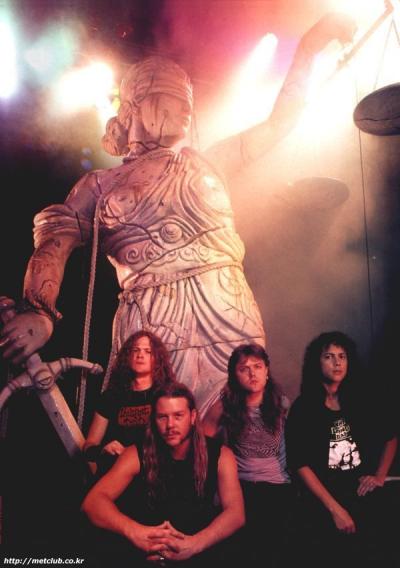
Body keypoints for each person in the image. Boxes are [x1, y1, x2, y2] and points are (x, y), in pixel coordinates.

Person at [0, 13, 356, 414]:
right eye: (169, 97)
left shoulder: (208, 161)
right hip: (151, 318)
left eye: (187, 102)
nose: (184, 110)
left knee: (242, 418)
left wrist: (308, 48)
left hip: (225, 305)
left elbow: (279, 122)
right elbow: (55, 241)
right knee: (160, 429)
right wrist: (39, 311)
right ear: (134, 107)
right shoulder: (99, 185)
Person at [81, 381, 245, 567]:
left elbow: (236, 512)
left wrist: (194, 545)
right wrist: (136, 533)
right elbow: (92, 502)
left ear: (192, 417)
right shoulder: (135, 453)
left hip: (197, 549)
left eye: (178, 416)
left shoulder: (221, 455)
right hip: (145, 553)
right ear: (154, 419)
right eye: (162, 417)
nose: (170, 425)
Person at [285, 331, 398, 568]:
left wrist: (379, 477)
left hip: (360, 492)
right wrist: (335, 510)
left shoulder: (363, 399)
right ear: (317, 363)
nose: (337, 362)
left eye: (342, 356)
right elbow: (299, 464)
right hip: (324, 499)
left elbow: (391, 437)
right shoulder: (304, 408)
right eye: (329, 356)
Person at [202, 343, 293, 567]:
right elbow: (202, 445)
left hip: (278, 485)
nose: (252, 374)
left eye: (258, 367)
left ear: (267, 371)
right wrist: (215, 486)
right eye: (244, 369)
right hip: (242, 486)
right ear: (235, 375)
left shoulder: (281, 404)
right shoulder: (224, 407)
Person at [83, 329, 175, 476]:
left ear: (157, 358)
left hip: (153, 473)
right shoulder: (110, 397)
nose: (140, 355)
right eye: (136, 350)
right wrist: (102, 450)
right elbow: (89, 445)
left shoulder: (166, 395)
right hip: (115, 472)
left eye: (148, 351)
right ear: (128, 356)